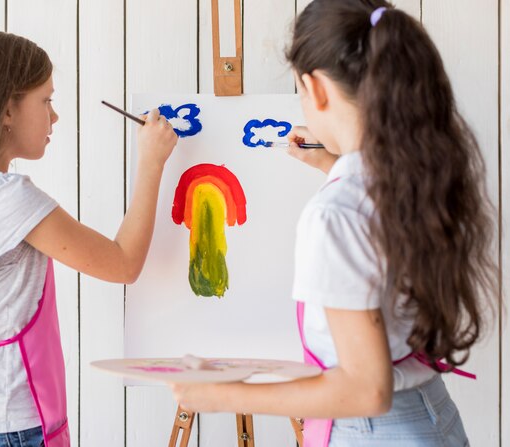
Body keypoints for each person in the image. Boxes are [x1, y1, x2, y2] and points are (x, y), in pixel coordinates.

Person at [170, 1, 497, 445]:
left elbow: (367, 388)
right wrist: (332, 164)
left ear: (316, 89)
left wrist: (225, 395)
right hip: (432, 416)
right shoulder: (417, 178)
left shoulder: (335, 214)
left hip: (375, 431)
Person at [0, 30, 177, 447]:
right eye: (46, 101)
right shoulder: (8, 199)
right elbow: (123, 263)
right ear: (7, 109)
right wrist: (151, 163)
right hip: (9, 426)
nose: (54, 117)